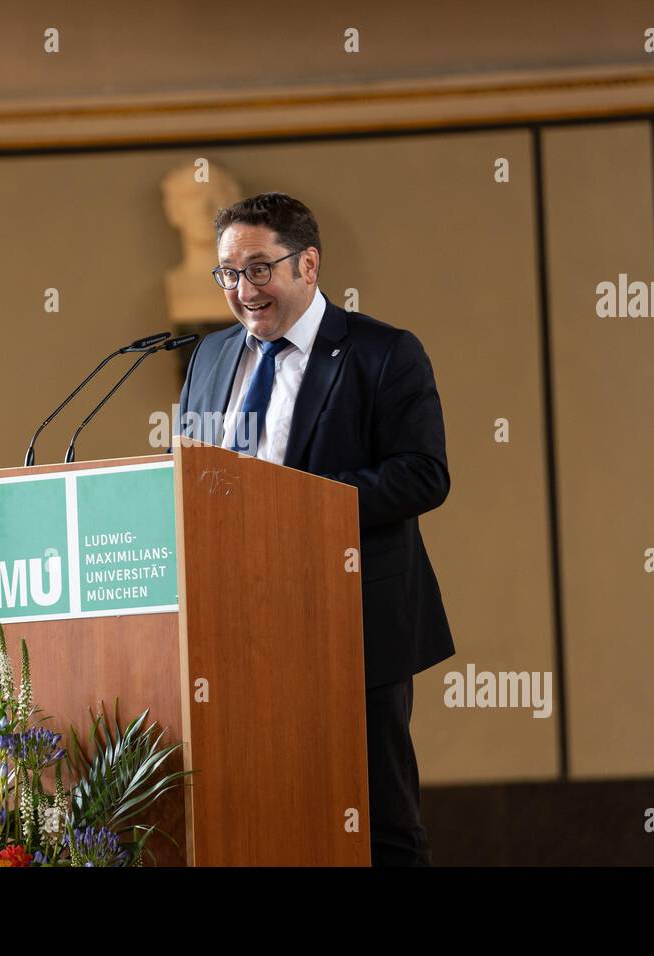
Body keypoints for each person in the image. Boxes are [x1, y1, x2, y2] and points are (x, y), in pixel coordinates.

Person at [176, 192, 455, 866]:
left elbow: (423, 475)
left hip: (351, 621)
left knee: (379, 826)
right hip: (236, 630)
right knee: (262, 816)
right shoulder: (210, 358)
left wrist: (292, 504)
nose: (243, 291)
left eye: (258, 270)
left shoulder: (382, 353)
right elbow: (195, 473)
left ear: (308, 265)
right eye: (228, 273)